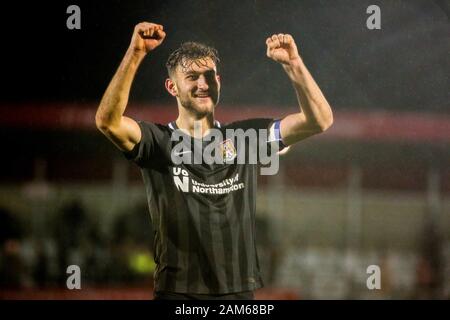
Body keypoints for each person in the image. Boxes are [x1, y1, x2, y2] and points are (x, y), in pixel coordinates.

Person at [95, 22, 333, 300]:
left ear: (218, 82)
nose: (203, 84)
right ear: (172, 87)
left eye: (209, 75)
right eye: (192, 77)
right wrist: (135, 54)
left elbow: (320, 121)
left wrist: (294, 64)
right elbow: (107, 122)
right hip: (178, 292)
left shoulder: (247, 138)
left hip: (239, 293)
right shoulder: (157, 141)